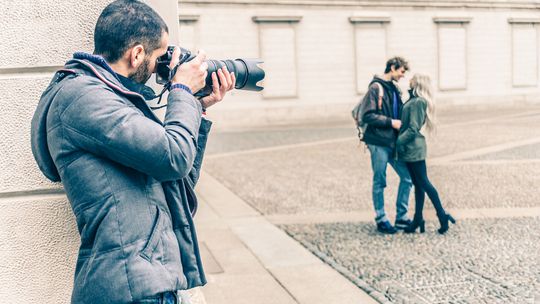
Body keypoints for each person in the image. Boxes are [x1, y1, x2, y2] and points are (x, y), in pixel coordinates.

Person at [30, 1, 235, 303]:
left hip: (148, 280)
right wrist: (181, 92)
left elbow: (178, 184)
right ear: (137, 53)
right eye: (158, 56)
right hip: (133, 287)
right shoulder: (85, 99)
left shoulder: (112, 98)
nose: (158, 68)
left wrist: (197, 109)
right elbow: (172, 158)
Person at [396, 73, 456, 234]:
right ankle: (418, 219)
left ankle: (442, 215)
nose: (409, 79)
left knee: (424, 183)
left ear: (418, 83)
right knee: (419, 184)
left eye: (413, 78)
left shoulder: (418, 102)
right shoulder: (414, 100)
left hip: (413, 149)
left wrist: (398, 142)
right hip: (412, 149)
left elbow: (413, 128)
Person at [361, 57, 413, 234]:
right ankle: (381, 218)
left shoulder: (394, 89)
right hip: (378, 142)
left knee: (408, 177)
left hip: (393, 142)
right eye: (401, 72)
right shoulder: (376, 87)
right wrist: (391, 122)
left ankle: (401, 217)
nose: (402, 76)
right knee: (380, 180)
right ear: (392, 68)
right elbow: (367, 115)